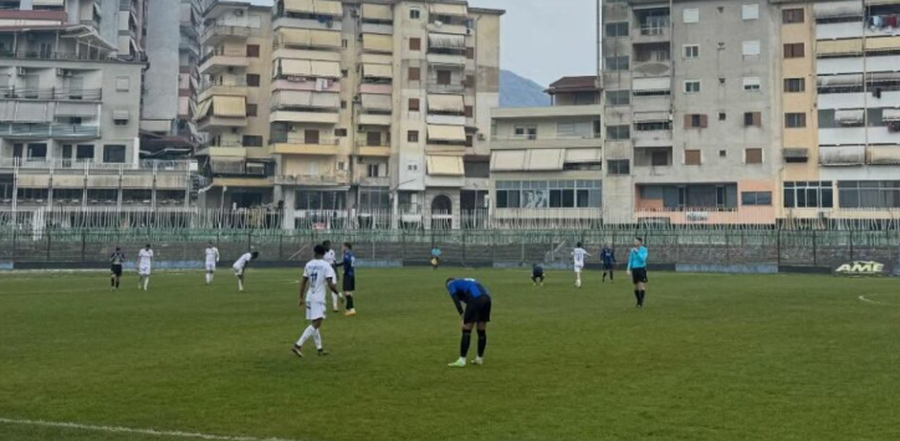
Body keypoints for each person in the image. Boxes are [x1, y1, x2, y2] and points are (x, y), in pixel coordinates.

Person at [292, 245, 340, 358]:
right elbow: (330, 284)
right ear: (324, 254)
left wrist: (301, 298)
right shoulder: (326, 265)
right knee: (317, 323)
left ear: (314, 252)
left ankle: (320, 349)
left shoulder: (309, 264)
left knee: (315, 323)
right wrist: (339, 294)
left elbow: (303, 282)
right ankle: (297, 345)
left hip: (309, 296)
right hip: (318, 298)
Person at [446, 278, 492, 368]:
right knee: (481, 330)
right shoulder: (467, 281)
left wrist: (462, 315)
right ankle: (479, 358)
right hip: (487, 298)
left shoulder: (451, 284)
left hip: (476, 299)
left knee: (466, 329)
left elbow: (455, 299)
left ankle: (462, 360)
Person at [627, 237, 649, 308]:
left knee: (641, 284)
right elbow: (630, 260)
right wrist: (628, 269)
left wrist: (637, 252)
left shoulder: (644, 250)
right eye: (634, 241)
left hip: (641, 269)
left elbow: (642, 259)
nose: (634, 243)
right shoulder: (632, 250)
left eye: (636, 241)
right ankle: (638, 301)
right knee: (636, 286)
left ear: (640, 242)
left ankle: (640, 302)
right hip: (634, 269)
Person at [323, 240, 341, 312]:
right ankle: (322, 306)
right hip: (323, 272)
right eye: (327, 245)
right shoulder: (321, 252)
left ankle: (335, 306)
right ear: (324, 245)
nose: (329, 246)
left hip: (331, 272)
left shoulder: (332, 252)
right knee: (322, 289)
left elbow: (334, 263)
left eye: (329, 245)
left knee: (333, 288)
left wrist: (336, 273)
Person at [340, 242, 357, 317]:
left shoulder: (346, 254)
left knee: (347, 292)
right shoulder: (351, 254)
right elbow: (345, 262)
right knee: (349, 292)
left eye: (343, 247)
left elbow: (347, 262)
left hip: (348, 274)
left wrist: (345, 271)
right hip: (352, 274)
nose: (342, 248)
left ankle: (352, 309)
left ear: (346, 247)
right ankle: (348, 308)